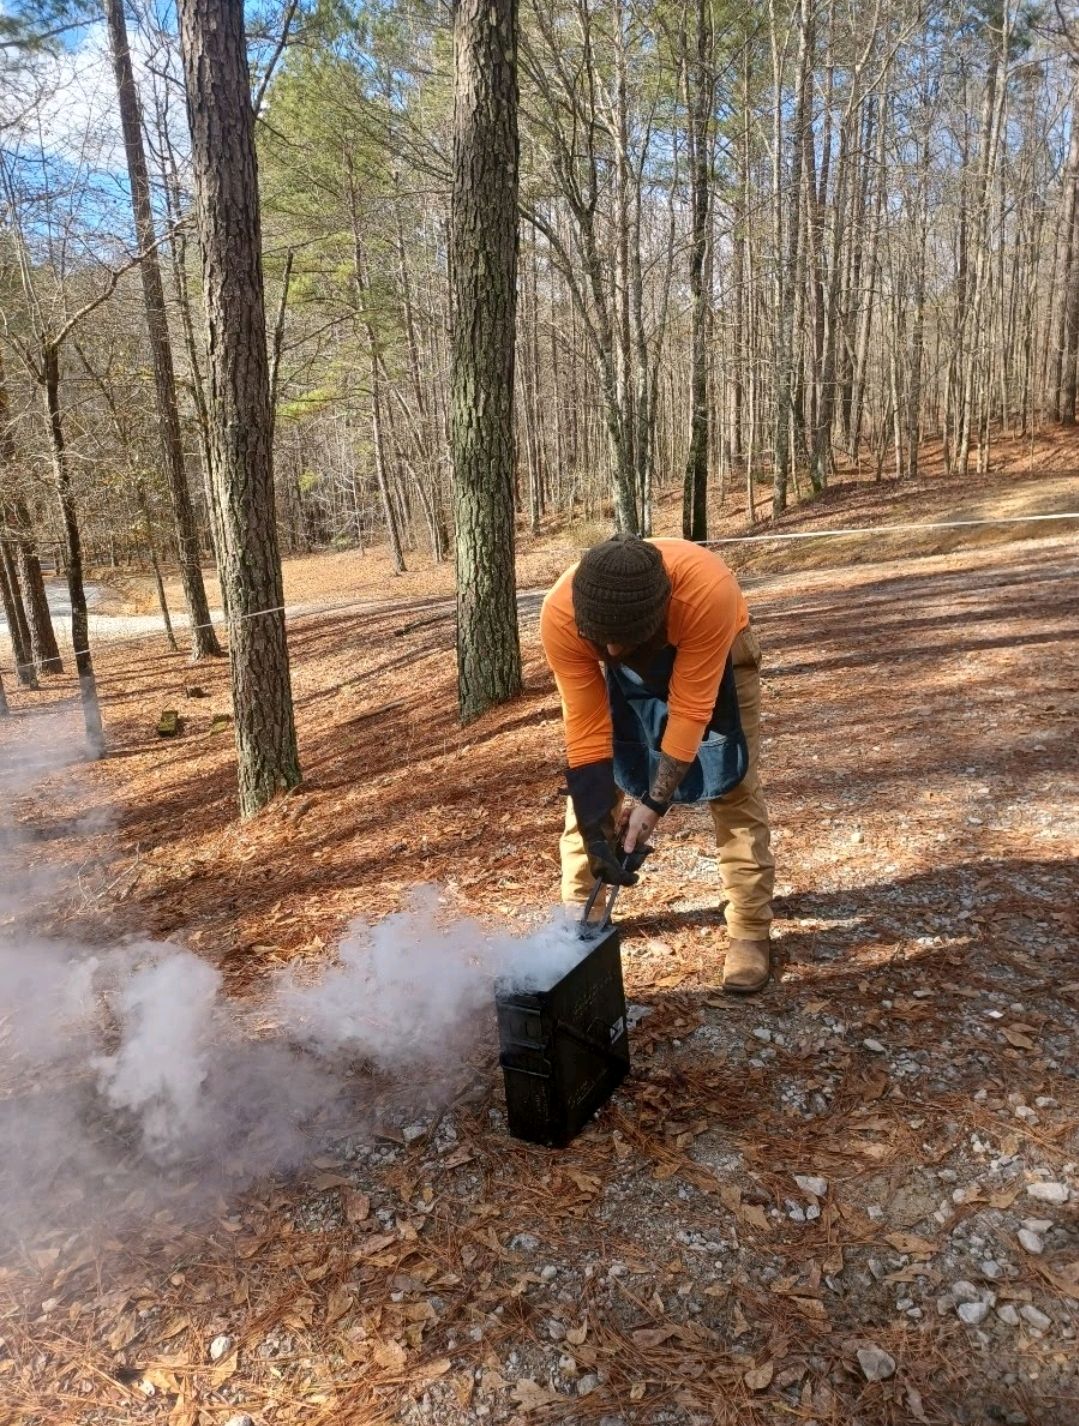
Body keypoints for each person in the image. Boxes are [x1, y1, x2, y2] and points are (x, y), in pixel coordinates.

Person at [540, 533, 775, 993]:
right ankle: (580, 912)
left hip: (719, 653)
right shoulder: (562, 614)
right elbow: (586, 731)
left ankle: (750, 928)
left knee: (733, 783)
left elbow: (690, 713)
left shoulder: (706, 593)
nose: (610, 653)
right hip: (636, 648)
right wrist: (596, 830)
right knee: (592, 791)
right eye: (601, 642)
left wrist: (652, 805)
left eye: (620, 643)